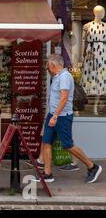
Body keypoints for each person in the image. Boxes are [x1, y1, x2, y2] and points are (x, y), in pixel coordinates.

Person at [31, 54, 102, 183]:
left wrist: (55, 116)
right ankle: (47, 174)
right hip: (52, 115)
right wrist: (50, 116)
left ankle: (92, 167)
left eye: (47, 64)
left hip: (62, 117)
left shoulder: (64, 77)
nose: (46, 67)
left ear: (53, 65)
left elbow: (64, 98)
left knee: (68, 145)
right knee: (46, 142)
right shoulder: (57, 77)